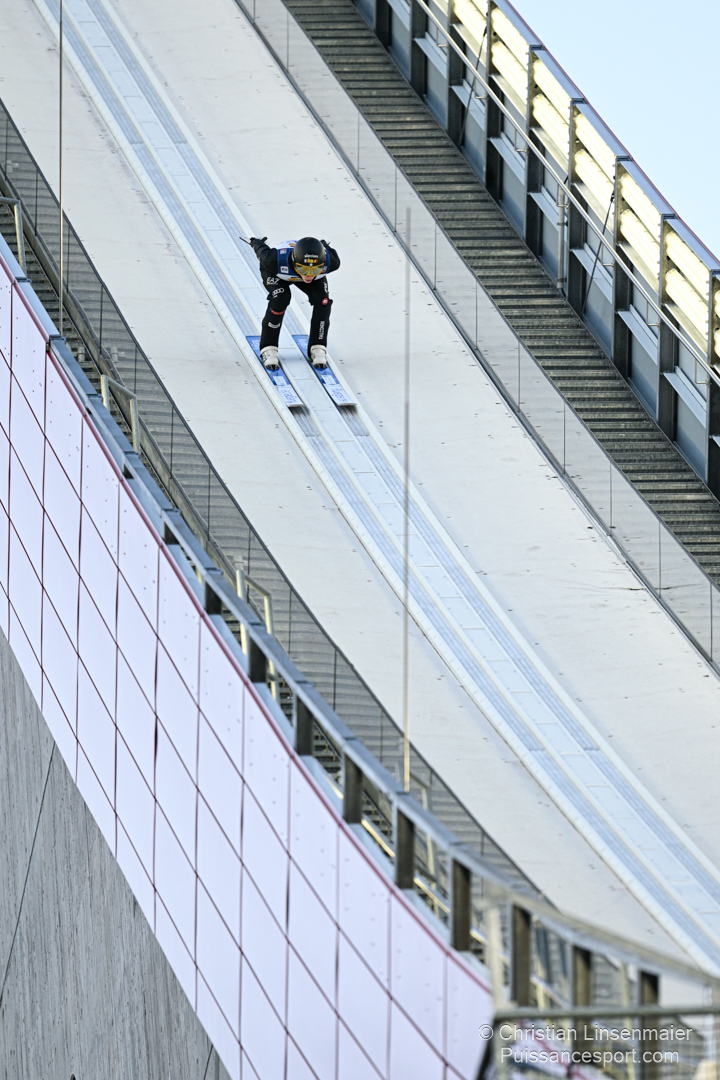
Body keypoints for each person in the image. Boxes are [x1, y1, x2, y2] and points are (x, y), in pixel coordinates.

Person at [249, 236, 340, 369]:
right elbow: (261, 249)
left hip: (294, 270)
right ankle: (268, 347)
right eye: (304, 270)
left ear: (322, 264)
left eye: (315, 270)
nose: (309, 275)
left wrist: (323, 244)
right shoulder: (273, 260)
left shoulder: (332, 261)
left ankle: (318, 345)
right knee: (281, 298)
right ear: (294, 261)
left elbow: (325, 247)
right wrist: (256, 241)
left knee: (323, 301)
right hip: (277, 272)